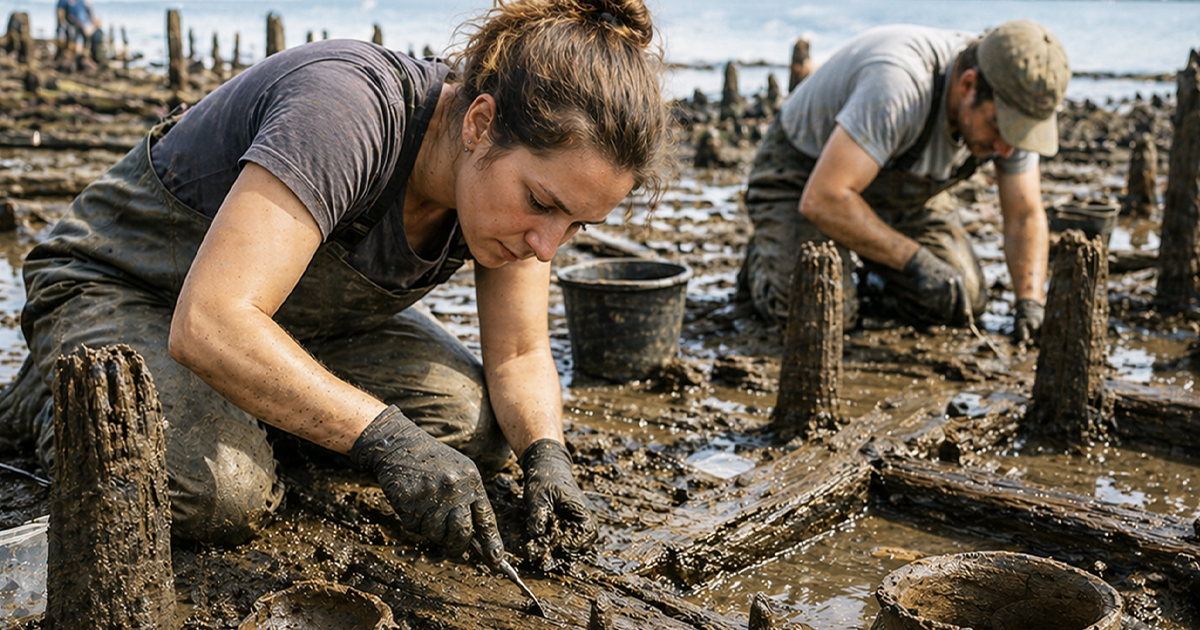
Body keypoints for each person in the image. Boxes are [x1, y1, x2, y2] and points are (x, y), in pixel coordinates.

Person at [0, 0, 667, 567]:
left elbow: (519, 355)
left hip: (283, 319)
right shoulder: (345, 111)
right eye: (541, 202)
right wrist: (385, 438)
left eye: (576, 224)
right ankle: (48, 387)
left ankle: (245, 401)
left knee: (476, 427)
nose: (545, 245)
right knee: (222, 495)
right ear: (480, 123)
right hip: (128, 286)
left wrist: (549, 458)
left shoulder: (499, 197)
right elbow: (212, 318)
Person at [738, 20, 1069, 342]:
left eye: (1019, 134)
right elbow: (824, 197)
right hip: (803, 178)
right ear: (968, 85)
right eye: (999, 128)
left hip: (901, 193)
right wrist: (916, 261)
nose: (1005, 148)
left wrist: (1030, 303)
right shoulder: (898, 86)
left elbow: (1024, 213)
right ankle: (764, 260)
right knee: (824, 317)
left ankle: (870, 269)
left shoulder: (1013, 102)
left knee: (959, 297)